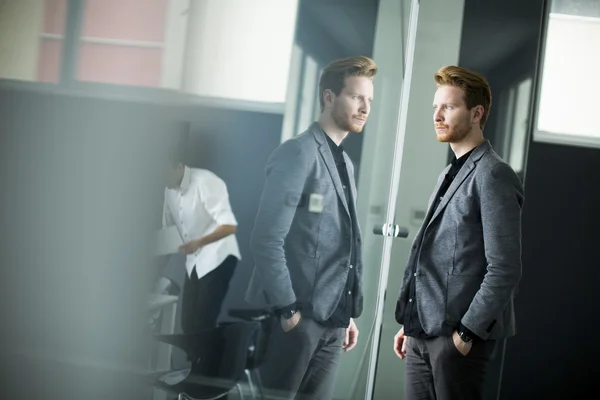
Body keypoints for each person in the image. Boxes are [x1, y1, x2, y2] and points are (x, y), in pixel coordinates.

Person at [246, 56, 377, 399]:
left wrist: (347, 313)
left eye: (369, 100)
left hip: (333, 321)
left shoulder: (345, 163)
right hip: (297, 320)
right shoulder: (298, 153)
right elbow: (266, 239)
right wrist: (287, 310)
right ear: (329, 97)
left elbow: (341, 244)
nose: (365, 107)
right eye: (356, 97)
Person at [393, 65, 524, 400]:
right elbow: (432, 255)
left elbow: (504, 268)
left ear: (476, 113)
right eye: (435, 107)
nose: (437, 115)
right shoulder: (449, 173)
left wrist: (465, 334)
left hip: (457, 339)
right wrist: (411, 321)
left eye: (448, 107)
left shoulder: (494, 175)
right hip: (422, 331)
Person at [161, 138, 241, 334]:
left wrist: (198, 242)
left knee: (203, 323)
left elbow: (229, 226)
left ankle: (203, 364)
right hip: (195, 260)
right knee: (187, 323)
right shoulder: (168, 190)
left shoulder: (206, 182)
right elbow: (167, 233)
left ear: (179, 167)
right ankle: (194, 364)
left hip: (218, 257)